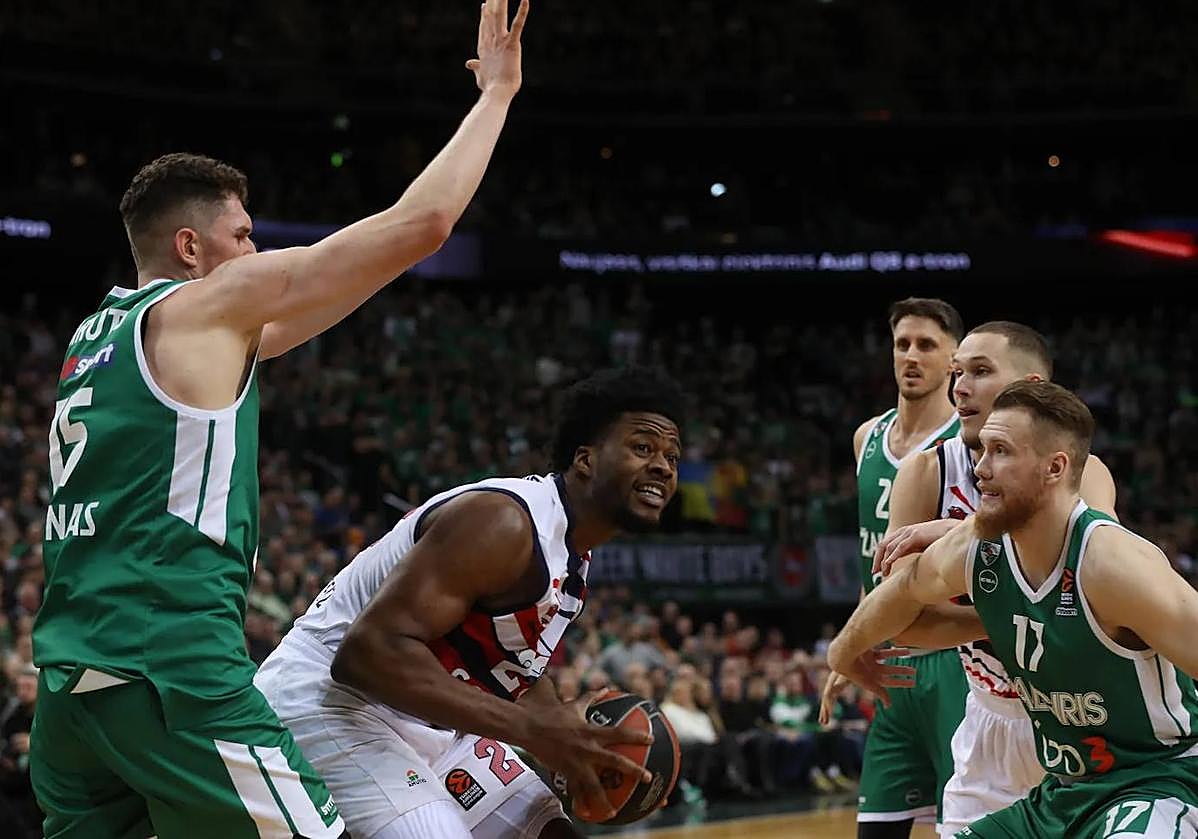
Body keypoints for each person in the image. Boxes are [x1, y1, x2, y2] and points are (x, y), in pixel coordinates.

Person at [29, 1, 530, 835]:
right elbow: (423, 226)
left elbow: (345, 288)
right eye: (243, 235)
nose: (255, 253)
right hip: (169, 664)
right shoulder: (206, 308)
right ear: (191, 249)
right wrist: (497, 97)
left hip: (71, 686)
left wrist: (363, 270)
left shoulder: (98, 337)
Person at [254, 367, 686, 839]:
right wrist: (534, 732)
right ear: (586, 459)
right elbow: (366, 655)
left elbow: (513, 672)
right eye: (642, 448)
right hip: (330, 699)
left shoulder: (573, 557)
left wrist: (573, 739)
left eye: (672, 456)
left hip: (426, 719)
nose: (663, 467)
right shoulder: (504, 522)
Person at [829, 381, 1198, 837]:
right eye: (982, 450)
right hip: (1063, 793)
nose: (980, 469)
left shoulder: (1114, 565)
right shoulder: (977, 549)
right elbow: (903, 591)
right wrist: (843, 651)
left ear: (1054, 467)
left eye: (1000, 452)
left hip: (1158, 781)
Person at [869, 321, 1118, 836]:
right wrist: (1000, 615)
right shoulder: (925, 472)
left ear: (1030, 387)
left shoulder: (1083, 470)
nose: (959, 387)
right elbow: (901, 623)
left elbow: (1085, 593)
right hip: (987, 719)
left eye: (980, 372)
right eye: (957, 372)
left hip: (1077, 715)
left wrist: (954, 537)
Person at [848, 297, 967, 836]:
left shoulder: (969, 440)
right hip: (891, 665)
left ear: (954, 360)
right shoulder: (866, 437)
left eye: (926, 345)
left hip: (953, 659)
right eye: (902, 344)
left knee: (959, 826)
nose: (911, 356)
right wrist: (854, 640)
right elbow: (868, 556)